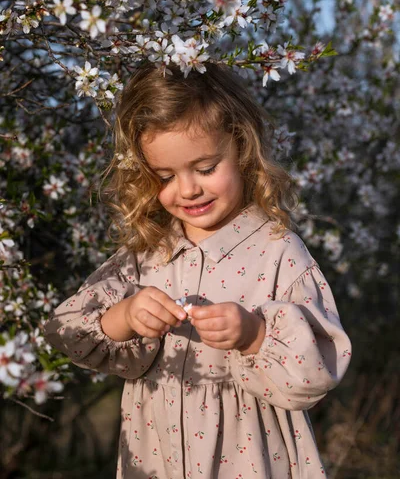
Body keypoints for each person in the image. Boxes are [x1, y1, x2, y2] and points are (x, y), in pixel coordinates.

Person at [44, 62, 352, 479]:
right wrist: (124, 317)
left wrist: (254, 334)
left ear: (242, 148)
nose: (188, 189)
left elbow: (316, 374)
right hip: (157, 456)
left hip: (250, 458)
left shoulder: (277, 251)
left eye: (205, 168)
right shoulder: (148, 253)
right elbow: (67, 333)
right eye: (165, 176)